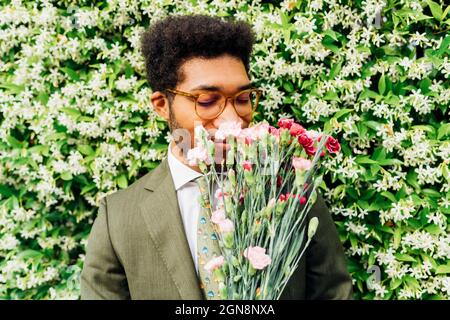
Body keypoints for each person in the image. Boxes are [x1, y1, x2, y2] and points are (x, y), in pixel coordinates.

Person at [80, 14, 353, 300]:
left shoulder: (290, 191)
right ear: (162, 105)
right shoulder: (118, 217)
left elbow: (333, 293)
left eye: (243, 99)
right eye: (207, 102)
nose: (232, 119)